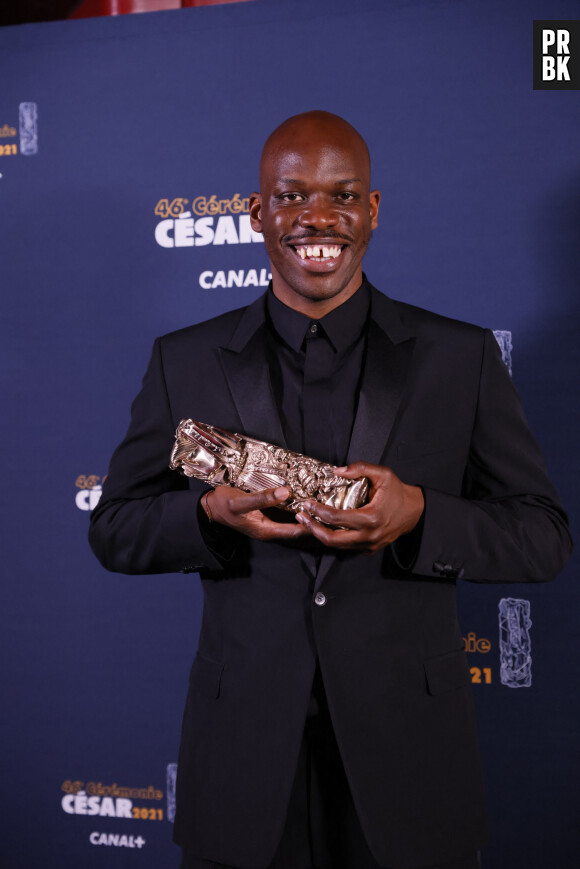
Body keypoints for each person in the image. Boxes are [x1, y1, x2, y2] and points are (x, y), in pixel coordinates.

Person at [89, 111, 572, 869]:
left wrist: (417, 514)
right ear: (257, 212)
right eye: (292, 195)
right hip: (242, 770)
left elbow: (543, 536)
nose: (318, 217)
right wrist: (212, 515)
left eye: (342, 195)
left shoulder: (460, 357)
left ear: (372, 211)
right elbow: (114, 527)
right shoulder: (184, 359)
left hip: (411, 766)